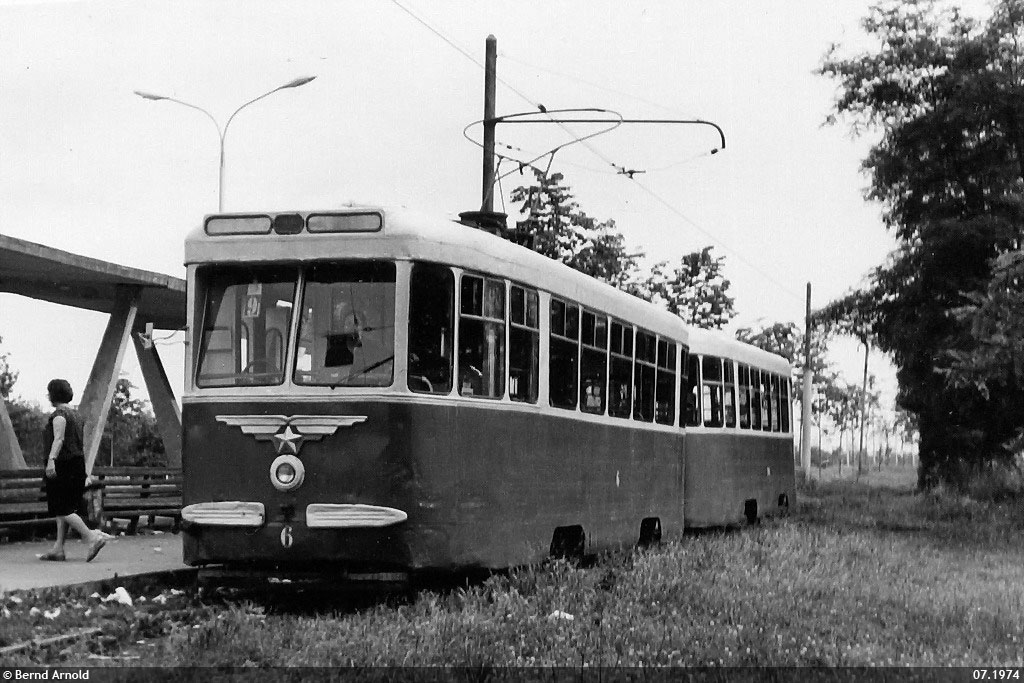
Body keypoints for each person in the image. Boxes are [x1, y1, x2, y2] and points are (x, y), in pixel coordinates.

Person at [39, 379, 109, 562]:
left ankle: (92, 537)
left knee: (61, 507)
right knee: (65, 507)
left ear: (53, 395)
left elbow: (59, 439)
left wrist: (51, 461)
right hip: (77, 463)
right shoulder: (76, 416)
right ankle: (58, 548)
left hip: (63, 464)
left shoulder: (59, 415)